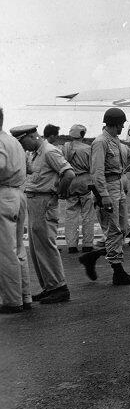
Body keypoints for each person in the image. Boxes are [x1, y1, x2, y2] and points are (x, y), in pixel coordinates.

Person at [79, 108, 130, 285]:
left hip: (118, 186)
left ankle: (92, 257)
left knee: (121, 230)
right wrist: (104, 195)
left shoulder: (116, 141)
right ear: (115, 123)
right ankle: (118, 272)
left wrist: (123, 173)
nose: (123, 126)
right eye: (122, 123)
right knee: (113, 230)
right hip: (108, 188)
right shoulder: (101, 142)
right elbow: (97, 172)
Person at [15, 124, 74, 304]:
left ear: (32, 136)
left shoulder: (49, 151)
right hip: (34, 201)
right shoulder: (34, 153)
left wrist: (59, 192)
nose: (22, 146)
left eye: (22, 141)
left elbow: (69, 174)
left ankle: (59, 287)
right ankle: (49, 286)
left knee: (46, 245)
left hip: (44, 201)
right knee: (35, 248)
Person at [1, 110, 33, 313]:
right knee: (19, 249)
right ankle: (25, 295)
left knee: (5, 252)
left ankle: (12, 301)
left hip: (3, 195)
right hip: (18, 194)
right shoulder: (13, 142)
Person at [60, 124, 96, 254]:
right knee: (87, 214)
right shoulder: (88, 149)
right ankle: (87, 244)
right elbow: (93, 168)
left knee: (71, 215)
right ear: (82, 134)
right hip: (85, 181)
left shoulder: (65, 148)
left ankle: (71, 245)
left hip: (70, 181)